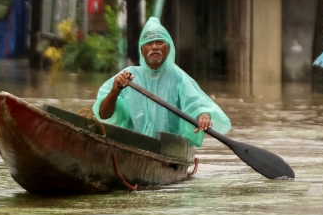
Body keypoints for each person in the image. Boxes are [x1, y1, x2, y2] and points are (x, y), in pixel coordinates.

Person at [93, 17, 231, 147]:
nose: (154, 47)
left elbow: (198, 105)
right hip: (133, 144)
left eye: (159, 42)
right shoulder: (127, 76)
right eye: (149, 43)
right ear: (141, 50)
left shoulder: (178, 78)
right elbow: (104, 114)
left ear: (168, 48)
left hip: (167, 147)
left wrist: (203, 116)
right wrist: (115, 92)